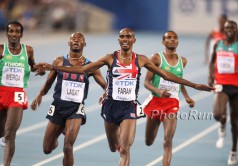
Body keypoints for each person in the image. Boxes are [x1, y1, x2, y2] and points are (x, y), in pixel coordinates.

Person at [34, 28, 214, 166]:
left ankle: (124, 142)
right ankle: (116, 138)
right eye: (122, 37)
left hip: (129, 107)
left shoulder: (141, 59)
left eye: (129, 37)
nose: (126, 39)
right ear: (119, 40)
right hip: (111, 107)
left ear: (133, 40)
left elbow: (166, 75)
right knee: (114, 147)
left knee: (125, 149)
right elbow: (82, 69)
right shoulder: (110, 58)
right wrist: (54, 67)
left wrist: (194, 85)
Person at [30, 32, 106, 166]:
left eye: (79, 39)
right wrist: (40, 95)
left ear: (84, 44)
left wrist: (106, 93)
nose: (76, 41)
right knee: (47, 149)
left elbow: (105, 86)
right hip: (58, 106)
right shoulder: (58, 61)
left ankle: (67, 130)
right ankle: (58, 134)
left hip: (75, 109)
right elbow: (49, 83)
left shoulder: (91, 66)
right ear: (68, 43)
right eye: (73, 39)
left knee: (68, 147)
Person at [142, 30, 195, 166]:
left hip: (172, 104)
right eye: (168, 38)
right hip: (155, 102)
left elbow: (178, 81)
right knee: (149, 141)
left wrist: (187, 96)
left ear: (178, 41)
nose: (172, 40)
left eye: (175, 38)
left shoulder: (182, 61)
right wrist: (158, 91)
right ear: (163, 42)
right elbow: (146, 82)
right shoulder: (156, 58)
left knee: (168, 139)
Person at [0, 20, 45, 166]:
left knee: (10, 134)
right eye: (11, 31)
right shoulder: (1, 50)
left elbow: (32, 66)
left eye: (17, 31)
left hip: (17, 94)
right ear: (7, 33)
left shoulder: (28, 50)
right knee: (2, 132)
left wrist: (39, 70)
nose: (14, 34)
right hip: (1, 91)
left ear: (21, 34)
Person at [208, 20, 238, 165]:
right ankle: (222, 124)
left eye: (232, 27)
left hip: (236, 87)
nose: (230, 30)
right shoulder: (218, 44)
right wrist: (210, 76)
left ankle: (233, 151)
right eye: (227, 28)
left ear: (236, 29)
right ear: (224, 30)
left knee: (235, 122)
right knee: (218, 114)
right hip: (221, 84)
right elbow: (212, 61)